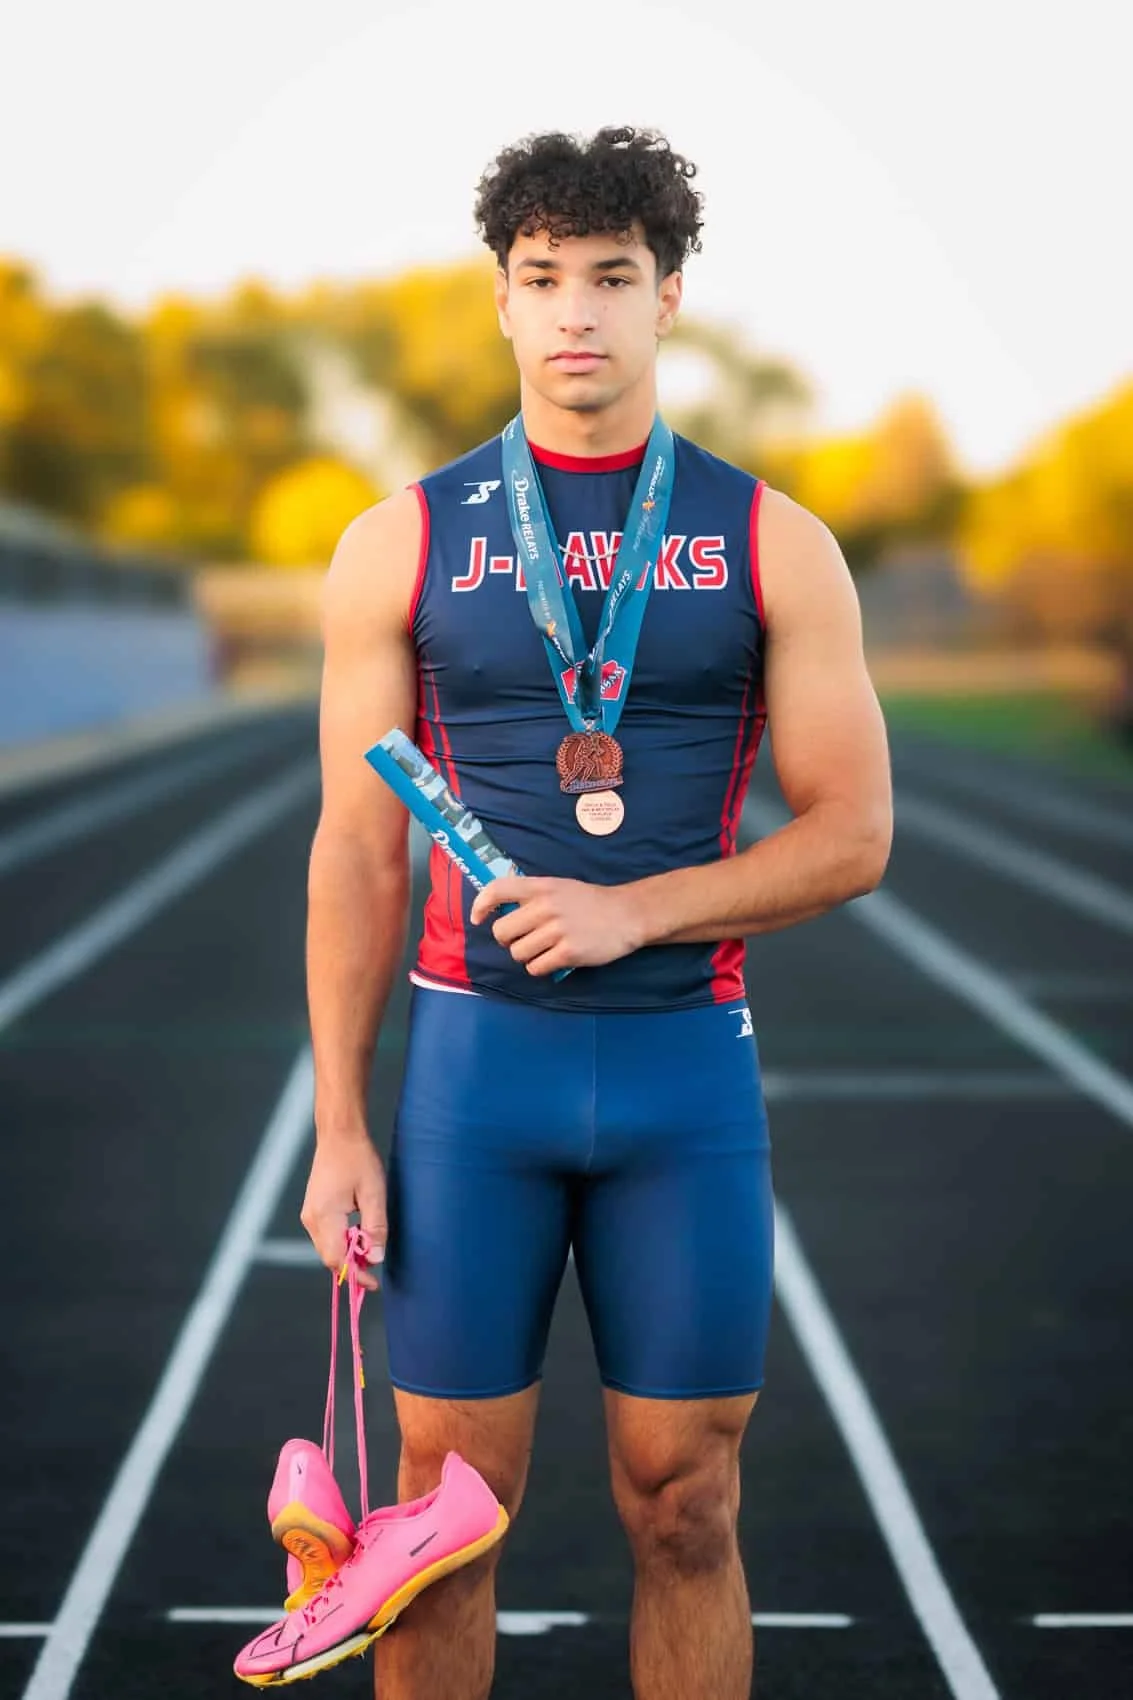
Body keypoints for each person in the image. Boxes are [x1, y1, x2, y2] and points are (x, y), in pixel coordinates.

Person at [301, 125, 893, 1700]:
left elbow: (854, 834)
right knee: (441, 1527)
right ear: (499, 302)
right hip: (470, 1083)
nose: (577, 312)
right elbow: (357, 853)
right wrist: (342, 1126)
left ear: (670, 298)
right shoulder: (401, 541)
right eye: (543, 277)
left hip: (679, 1074)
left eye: (611, 278)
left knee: (689, 1506)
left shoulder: (775, 541)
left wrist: (643, 912)